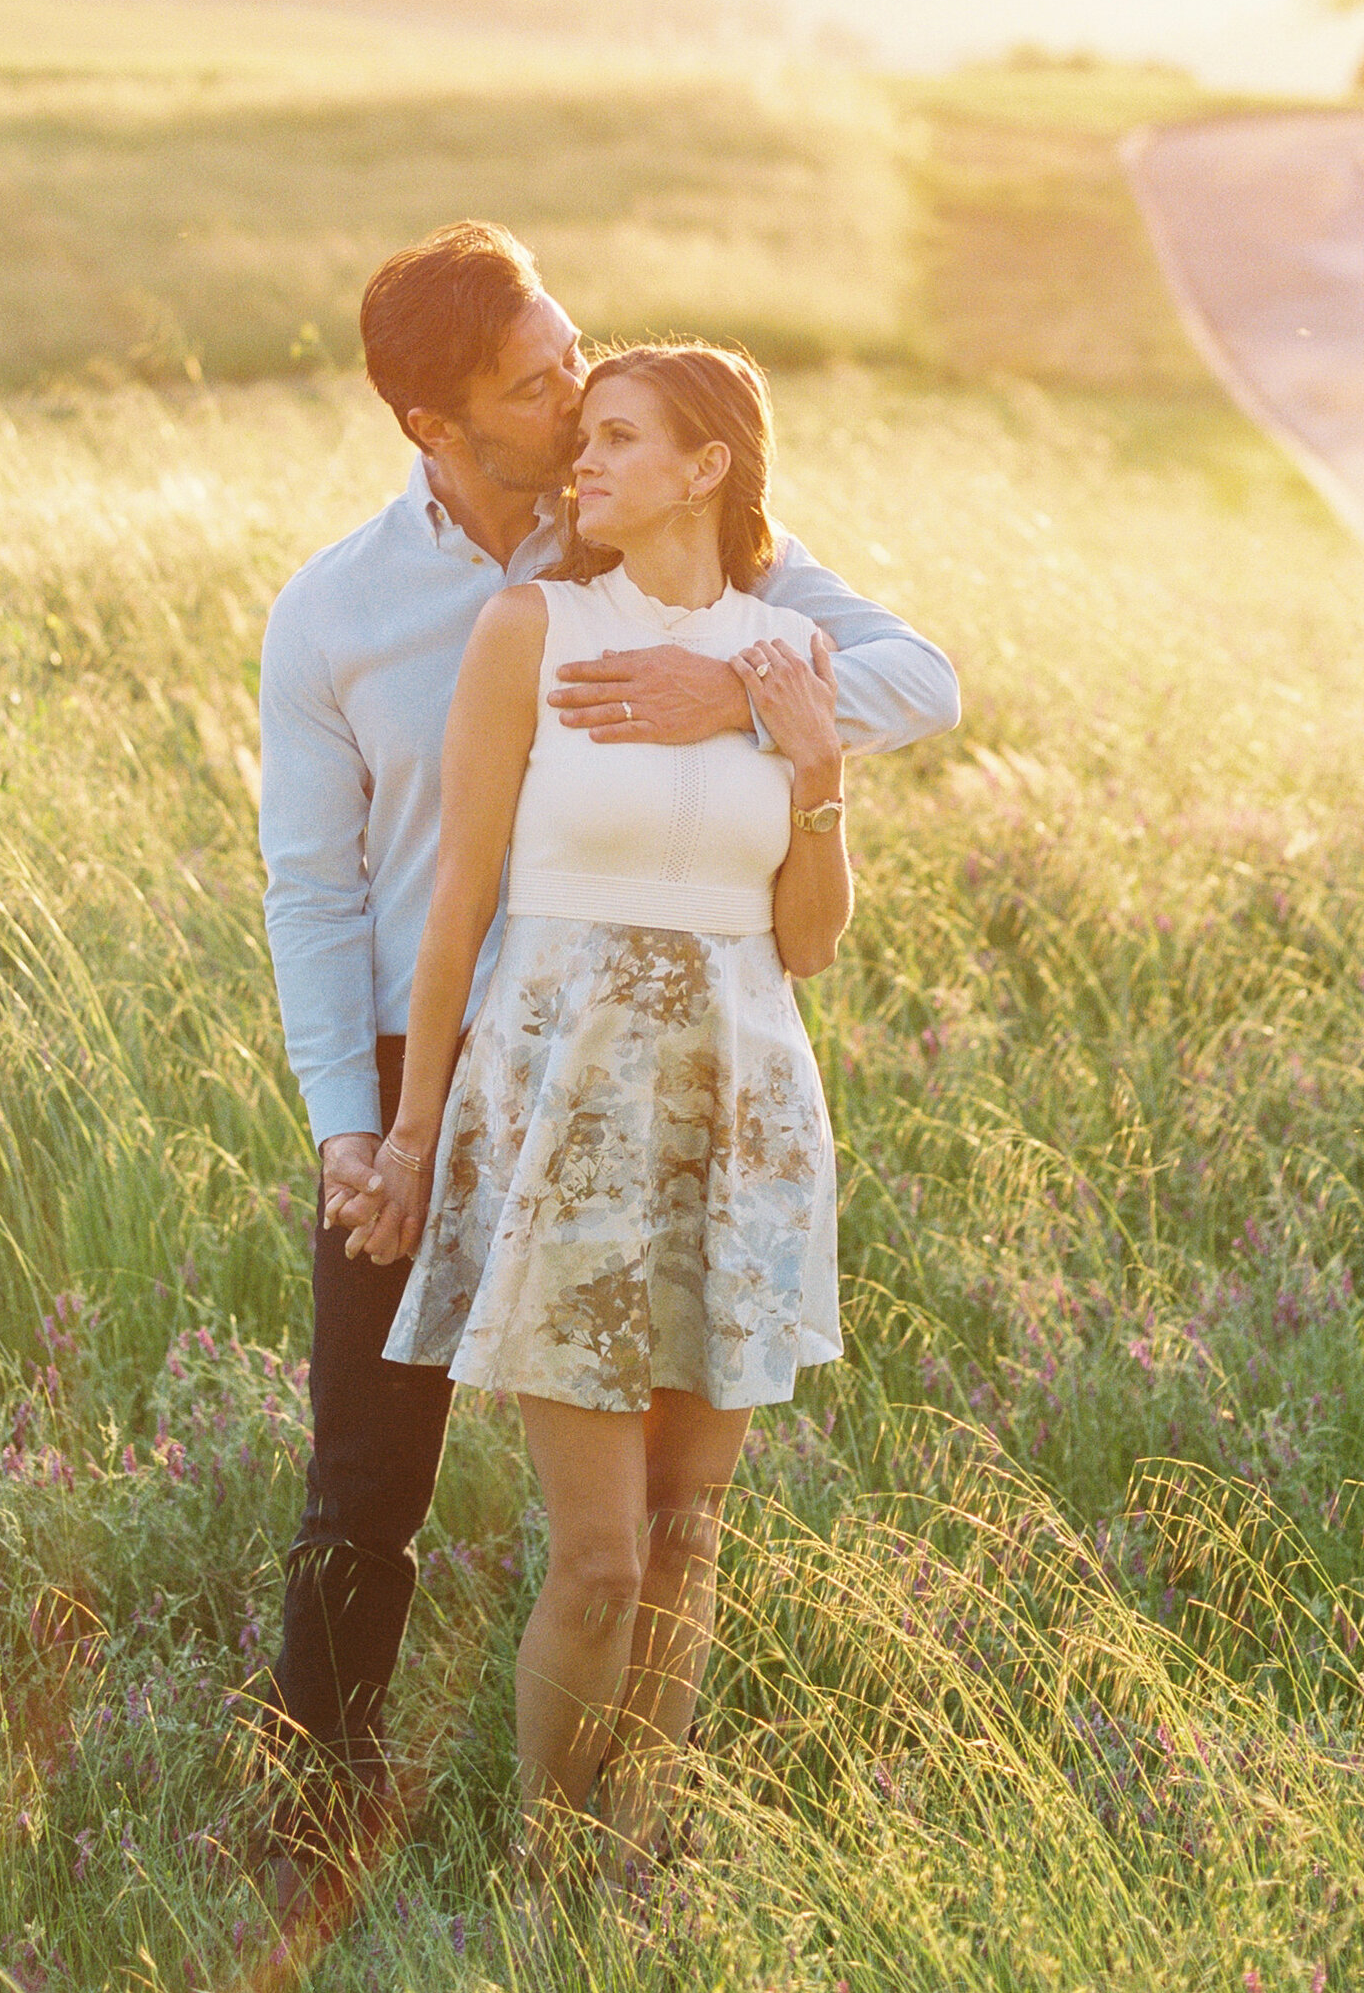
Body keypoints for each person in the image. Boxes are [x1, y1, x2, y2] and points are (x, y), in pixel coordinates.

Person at [253, 223, 958, 1862]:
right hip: (434, 1056)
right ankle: (311, 1821)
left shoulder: (731, 575)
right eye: (536, 381)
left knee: (655, 1522)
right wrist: (356, 1126)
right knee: (369, 1476)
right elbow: (317, 886)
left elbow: (920, 679)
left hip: (666, 1071)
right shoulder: (344, 611)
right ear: (435, 424)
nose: (573, 397)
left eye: (578, 359)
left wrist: (733, 696)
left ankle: (606, 1833)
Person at [352, 338, 855, 1863]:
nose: (587, 461)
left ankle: (634, 1852)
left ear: (709, 465)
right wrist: (413, 1132)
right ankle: (540, 1865)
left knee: (691, 1538)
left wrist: (817, 766)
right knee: (598, 1563)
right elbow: (459, 904)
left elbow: (812, 940)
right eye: (585, 439)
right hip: (567, 1114)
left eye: (622, 438)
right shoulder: (534, 626)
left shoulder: (786, 655)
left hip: (744, 1113)